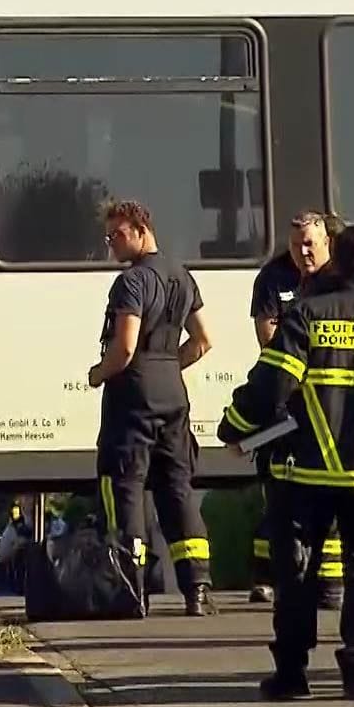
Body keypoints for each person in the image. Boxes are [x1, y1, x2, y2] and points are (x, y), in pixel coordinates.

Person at [216, 225, 354, 700]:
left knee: (295, 572)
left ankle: (292, 675)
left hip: (307, 472)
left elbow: (271, 386)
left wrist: (233, 426)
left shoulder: (307, 316)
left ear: (334, 263)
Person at [87, 199, 217, 616]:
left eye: (117, 236)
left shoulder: (131, 283)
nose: (112, 246)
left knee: (125, 488)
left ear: (141, 229)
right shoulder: (181, 275)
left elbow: (124, 347)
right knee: (177, 489)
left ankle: (132, 591)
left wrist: (98, 374)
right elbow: (202, 341)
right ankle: (196, 590)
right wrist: (165, 366)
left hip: (132, 399)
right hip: (173, 395)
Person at [246, 211, 344, 609]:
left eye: (310, 244)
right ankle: (268, 578)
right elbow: (268, 336)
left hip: (330, 402)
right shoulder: (272, 278)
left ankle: (330, 585)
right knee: (279, 489)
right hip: (289, 399)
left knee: (330, 492)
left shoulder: (341, 280)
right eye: (295, 245)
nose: (303, 252)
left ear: (326, 244)